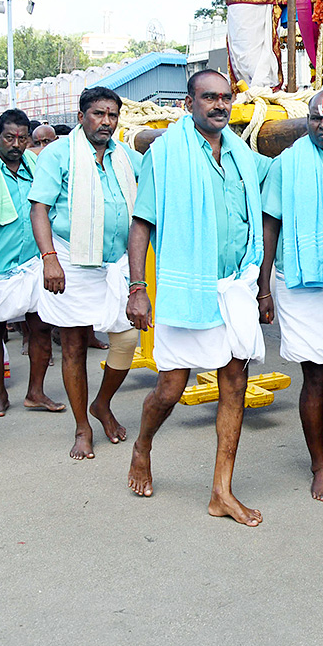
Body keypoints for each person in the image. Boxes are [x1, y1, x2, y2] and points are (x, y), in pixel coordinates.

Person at [125, 70, 266, 525]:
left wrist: (258, 284)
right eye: (209, 98)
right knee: (170, 388)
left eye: (226, 97)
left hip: (234, 285)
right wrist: (137, 289)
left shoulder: (243, 154)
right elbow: (142, 223)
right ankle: (143, 446)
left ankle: (221, 491)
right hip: (188, 286)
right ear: (189, 103)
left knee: (235, 383)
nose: (219, 105)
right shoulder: (165, 153)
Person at [257, 89, 323, 503]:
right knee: (316, 375)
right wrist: (263, 287)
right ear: (306, 122)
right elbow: (271, 225)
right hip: (302, 282)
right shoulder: (288, 164)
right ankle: (318, 463)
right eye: (316, 118)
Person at [30, 87, 141, 460]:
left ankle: (102, 403)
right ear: (82, 117)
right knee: (74, 345)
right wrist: (49, 258)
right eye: (98, 114)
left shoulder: (126, 156)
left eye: (112, 115)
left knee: (126, 338)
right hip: (70, 260)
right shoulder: (58, 154)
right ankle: (82, 426)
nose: (106, 121)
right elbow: (40, 210)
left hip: (115, 263)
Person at [0, 108, 63, 418]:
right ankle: (1, 396)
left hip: (33, 261)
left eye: (23, 138)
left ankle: (36, 392)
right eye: (10, 137)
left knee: (41, 328)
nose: (16, 144)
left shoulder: (36, 168)